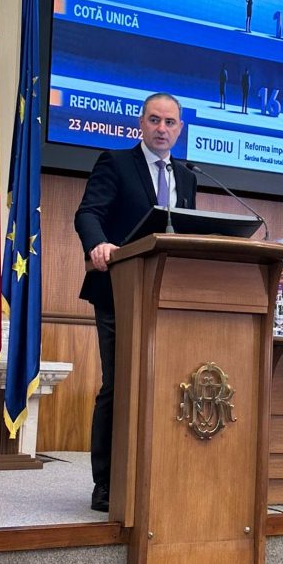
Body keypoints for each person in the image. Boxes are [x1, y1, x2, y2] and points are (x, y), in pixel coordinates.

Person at [74, 93, 197, 512]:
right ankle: (106, 483)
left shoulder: (188, 177)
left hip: (170, 297)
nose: (162, 129)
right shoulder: (116, 162)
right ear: (141, 124)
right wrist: (98, 244)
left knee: (167, 387)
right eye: (155, 120)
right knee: (119, 384)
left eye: (170, 122)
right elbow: (88, 214)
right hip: (119, 291)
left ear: (179, 129)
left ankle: (156, 477)